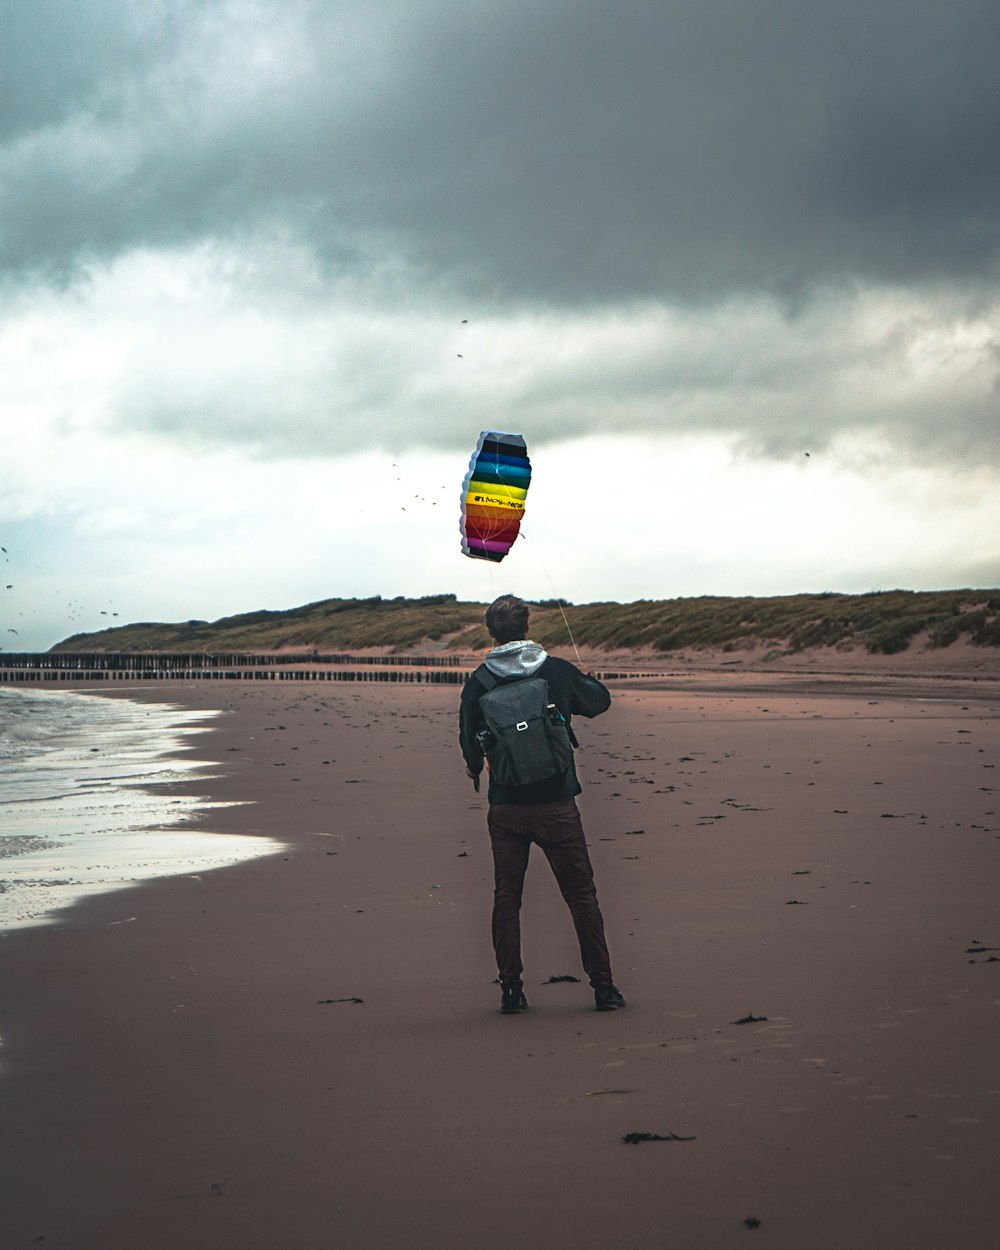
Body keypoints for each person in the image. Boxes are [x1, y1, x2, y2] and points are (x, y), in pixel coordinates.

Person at [459, 594, 626, 1014]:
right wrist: (586, 680)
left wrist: (475, 767)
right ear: (526, 628)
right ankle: (604, 988)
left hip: (507, 809)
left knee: (507, 899)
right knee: (581, 895)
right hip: (556, 804)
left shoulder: (479, 681)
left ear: (491, 631)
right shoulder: (554, 669)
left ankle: (511, 991)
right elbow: (599, 703)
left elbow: (469, 744)